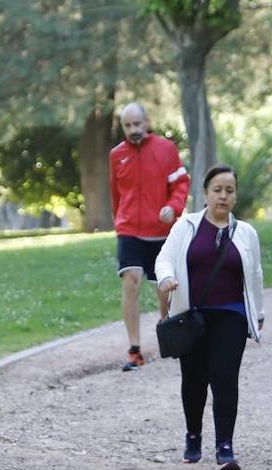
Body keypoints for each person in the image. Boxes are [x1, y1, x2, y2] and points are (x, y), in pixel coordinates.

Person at [155, 165, 265, 470]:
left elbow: (255, 274)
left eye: (229, 190)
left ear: (235, 195)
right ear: (205, 193)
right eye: (217, 190)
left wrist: (258, 313)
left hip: (231, 314)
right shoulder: (186, 226)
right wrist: (165, 279)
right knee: (194, 380)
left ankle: (225, 446)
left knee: (225, 377)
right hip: (193, 316)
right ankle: (193, 435)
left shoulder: (245, 233)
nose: (223, 196)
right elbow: (164, 258)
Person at [110, 102, 190, 371]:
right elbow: (116, 194)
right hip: (129, 229)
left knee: (162, 289)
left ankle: (168, 338)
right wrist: (119, 220)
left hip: (160, 231)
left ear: (146, 122)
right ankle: (134, 349)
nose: (133, 130)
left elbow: (180, 184)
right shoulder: (116, 155)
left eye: (137, 124)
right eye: (127, 125)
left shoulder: (166, 149)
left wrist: (173, 207)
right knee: (131, 281)